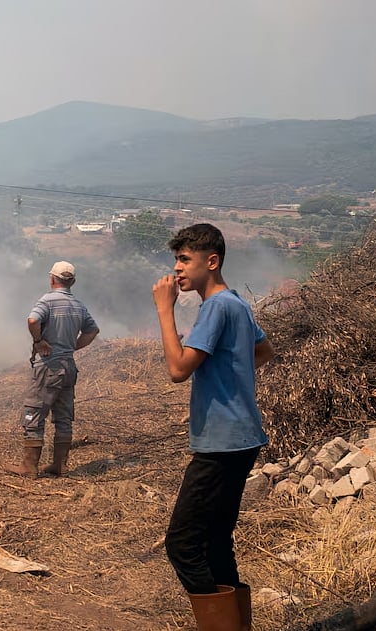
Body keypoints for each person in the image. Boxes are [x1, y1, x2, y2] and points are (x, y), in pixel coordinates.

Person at [152, 223, 274, 631]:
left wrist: (164, 309)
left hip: (222, 443)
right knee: (217, 542)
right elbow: (263, 349)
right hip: (241, 436)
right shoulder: (237, 304)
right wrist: (228, 382)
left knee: (183, 544)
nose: (177, 269)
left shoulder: (217, 307)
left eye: (185, 260)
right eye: (177, 260)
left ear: (212, 261)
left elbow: (177, 369)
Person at [4, 261, 99, 478]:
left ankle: (29, 466)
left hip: (49, 367)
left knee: (34, 412)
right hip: (69, 367)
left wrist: (39, 341)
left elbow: (32, 320)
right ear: (72, 282)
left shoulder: (47, 300)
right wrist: (72, 347)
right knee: (63, 417)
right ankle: (59, 465)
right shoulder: (79, 305)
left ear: (52, 279)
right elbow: (93, 330)